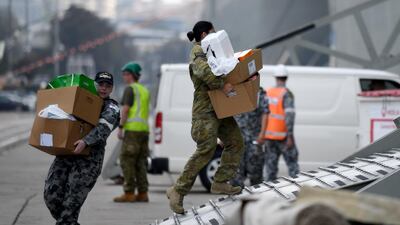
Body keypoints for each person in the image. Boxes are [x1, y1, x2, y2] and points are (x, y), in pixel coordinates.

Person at [166, 21, 244, 214]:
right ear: (203, 35)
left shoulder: (213, 51)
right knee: (206, 149)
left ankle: (220, 181)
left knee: (236, 142)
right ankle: (178, 190)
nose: (215, 34)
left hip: (220, 108)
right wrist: (222, 84)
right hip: (205, 111)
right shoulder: (198, 51)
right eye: (212, 32)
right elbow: (203, 71)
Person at [44, 72, 120, 225]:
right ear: (94, 84)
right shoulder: (79, 99)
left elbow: (104, 128)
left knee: (70, 207)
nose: (103, 88)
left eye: (108, 86)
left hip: (88, 162)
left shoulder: (111, 107)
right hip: (66, 154)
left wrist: (85, 141)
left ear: (112, 89)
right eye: (100, 84)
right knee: (51, 197)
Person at [113, 62, 151, 203]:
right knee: (140, 162)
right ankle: (143, 193)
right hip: (144, 131)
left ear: (132, 75)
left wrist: (121, 127)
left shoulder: (130, 89)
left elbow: (126, 109)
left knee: (126, 160)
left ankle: (129, 193)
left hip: (132, 131)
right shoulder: (144, 90)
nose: (124, 77)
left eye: (126, 74)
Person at [259, 64, 299, 181]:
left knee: (270, 169)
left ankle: (269, 195)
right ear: (286, 78)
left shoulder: (268, 92)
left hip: (269, 137)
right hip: (284, 137)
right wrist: (290, 136)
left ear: (275, 77)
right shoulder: (286, 94)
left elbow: (262, 114)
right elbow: (289, 116)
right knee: (293, 168)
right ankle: (296, 193)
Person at [231, 87, 269, 187]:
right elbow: (227, 112)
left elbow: (265, 112)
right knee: (236, 177)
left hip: (254, 140)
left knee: (256, 176)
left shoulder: (259, 92)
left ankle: (256, 201)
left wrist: (262, 134)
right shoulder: (235, 90)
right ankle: (236, 200)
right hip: (237, 140)